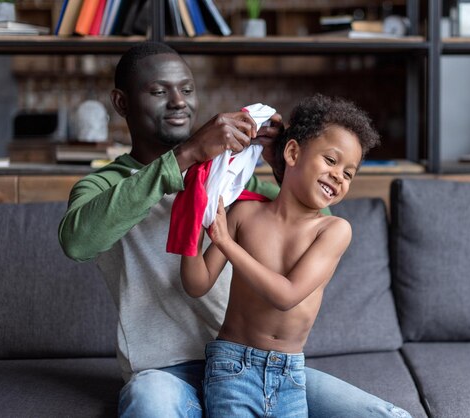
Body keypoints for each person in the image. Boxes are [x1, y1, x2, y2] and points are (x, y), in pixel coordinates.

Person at [58, 41, 411, 418]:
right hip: (165, 375)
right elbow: (78, 241)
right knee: (149, 403)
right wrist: (187, 155)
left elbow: (315, 222)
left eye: (188, 89)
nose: (179, 101)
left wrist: (282, 167)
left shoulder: (230, 183)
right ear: (121, 103)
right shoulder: (107, 186)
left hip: (256, 363)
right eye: (160, 91)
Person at [180, 94, 383, 418]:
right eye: (331, 161)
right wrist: (191, 219)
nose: (338, 176)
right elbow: (197, 283)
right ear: (292, 152)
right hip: (232, 367)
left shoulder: (333, 230)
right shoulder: (244, 213)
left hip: (289, 373)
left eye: (348, 173)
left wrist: (226, 243)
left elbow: (286, 295)